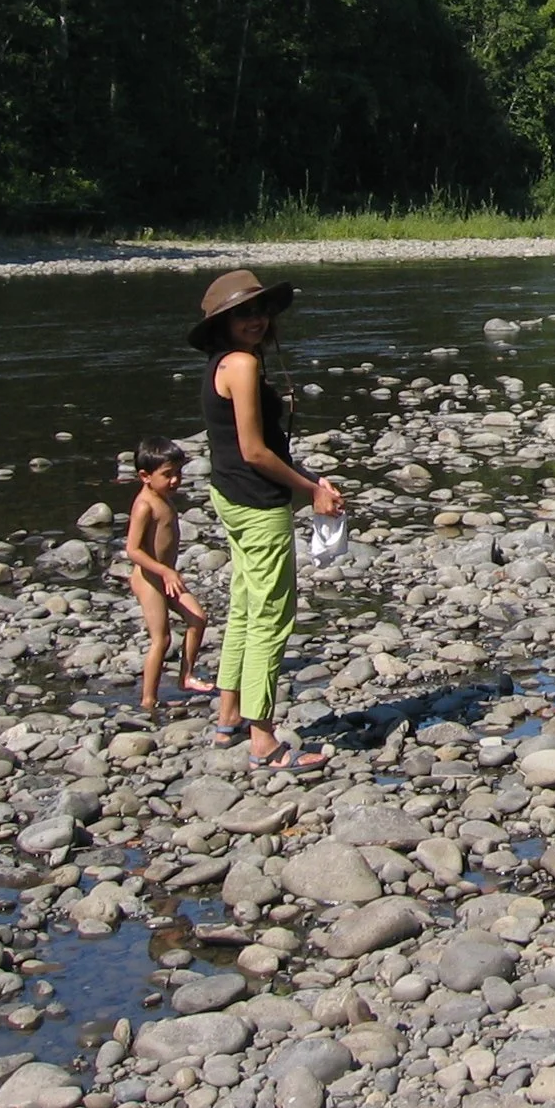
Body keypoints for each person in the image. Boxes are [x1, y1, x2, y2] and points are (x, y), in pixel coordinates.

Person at [191, 269, 343, 770]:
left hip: (229, 494)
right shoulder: (242, 366)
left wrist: (305, 476)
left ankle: (228, 716)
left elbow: (247, 447)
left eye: (259, 311)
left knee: (244, 604)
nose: (255, 320)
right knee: (272, 617)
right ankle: (263, 739)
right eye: (242, 315)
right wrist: (311, 489)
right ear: (223, 323)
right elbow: (256, 451)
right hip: (257, 503)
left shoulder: (225, 362)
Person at [124, 436, 215, 710]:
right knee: (161, 639)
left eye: (178, 474)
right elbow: (133, 550)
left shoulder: (163, 497)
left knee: (198, 618)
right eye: (167, 475)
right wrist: (164, 571)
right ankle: (148, 699)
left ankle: (185, 676)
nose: (175, 480)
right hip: (150, 579)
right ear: (145, 476)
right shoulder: (145, 505)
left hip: (166, 577)